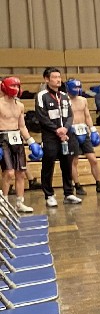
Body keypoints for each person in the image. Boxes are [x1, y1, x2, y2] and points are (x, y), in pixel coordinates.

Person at [35, 67, 81, 207]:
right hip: (50, 136)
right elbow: (42, 117)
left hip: (66, 135)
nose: (58, 80)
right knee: (48, 165)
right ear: (47, 79)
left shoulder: (65, 96)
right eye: (54, 77)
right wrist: (57, 130)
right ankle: (49, 195)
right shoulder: (42, 96)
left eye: (59, 77)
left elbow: (70, 115)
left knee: (67, 164)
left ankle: (69, 193)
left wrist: (65, 129)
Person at [0, 77, 41, 213]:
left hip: (17, 139)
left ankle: (19, 203)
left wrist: (31, 142)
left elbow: (22, 126)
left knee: (21, 173)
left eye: (18, 86)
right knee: (9, 173)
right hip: (3, 139)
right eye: (13, 86)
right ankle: (4, 203)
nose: (16, 89)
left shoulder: (20, 105)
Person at [66, 79, 100, 195]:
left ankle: (99, 183)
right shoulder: (64, 101)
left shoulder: (83, 100)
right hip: (71, 131)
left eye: (79, 87)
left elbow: (87, 116)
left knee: (93, 159)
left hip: (83, 130)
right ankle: (77, 185)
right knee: (74, 161)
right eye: (75, 87)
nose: (77, 90)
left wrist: (93, 129)